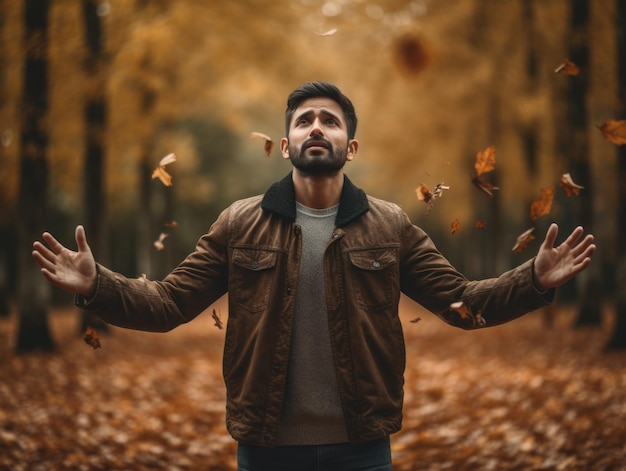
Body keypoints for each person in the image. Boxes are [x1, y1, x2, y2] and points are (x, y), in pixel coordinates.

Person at [32, 81, 596, 471]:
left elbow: (462, 303)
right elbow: (168, 304)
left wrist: (535, 281)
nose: (316, 128)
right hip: (266, 447)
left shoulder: (390, 225)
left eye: (330, 120)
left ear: (350, 146)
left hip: (362, 446)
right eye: (304, 121)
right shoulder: (239, 222)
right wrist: (96, 284)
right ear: (286, 145)